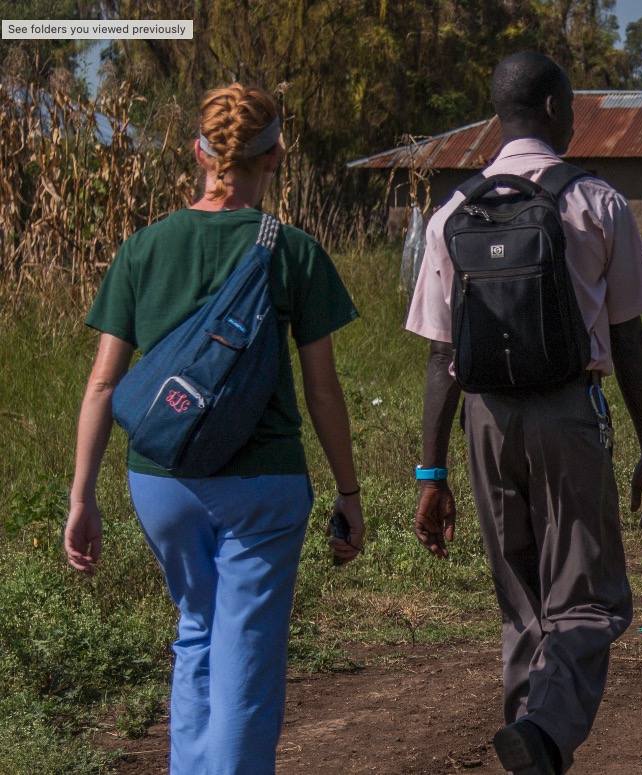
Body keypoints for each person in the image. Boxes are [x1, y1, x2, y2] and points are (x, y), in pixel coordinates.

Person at [63, 83, 365, 775]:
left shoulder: (143, 248)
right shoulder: (291, 250)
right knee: (248, 656)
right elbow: (323, 389)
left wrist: (83, 496)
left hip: (162, 481)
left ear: (197, 152)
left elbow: (103, 384)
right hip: (263, 484)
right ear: (276, 157)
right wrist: (348, 492)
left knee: (197, 631)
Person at [406, 51, 642, 775]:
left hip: (484, 421)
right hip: (567, 414)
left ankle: (527, 739)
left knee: (520, 602)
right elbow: (628, 338)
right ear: (554, 108)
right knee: (586, 597)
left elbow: (438, 356)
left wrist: (431, 471)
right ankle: (547, 730)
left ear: (499, 113)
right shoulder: (596, 201)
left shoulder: (454, 211)